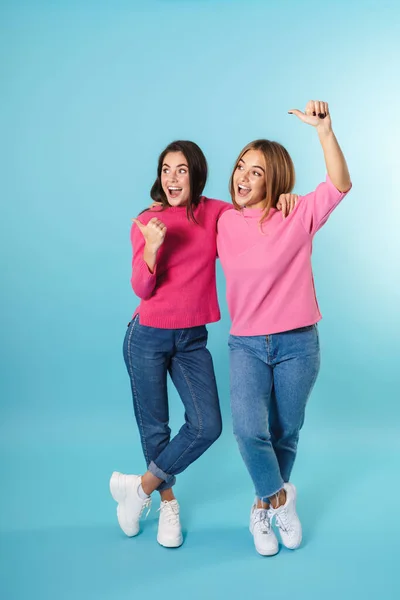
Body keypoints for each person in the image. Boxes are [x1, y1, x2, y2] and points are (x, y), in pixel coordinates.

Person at [110, 141, 295, 548]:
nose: (171, 179)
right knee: (155, 426)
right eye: (165, 170)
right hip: (147, 336)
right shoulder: (147, 221)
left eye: (180, 170)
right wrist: (153, 249)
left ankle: (137, 489)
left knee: (206, 425)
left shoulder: (216, 213)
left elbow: (253, 215)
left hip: (192, 339)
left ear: (196, 174)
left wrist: (283, 199)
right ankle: (166, 503)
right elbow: (141, 287)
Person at [217, 100, 352, 556]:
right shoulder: (221, 220)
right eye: (240, 166)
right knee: (248, 430)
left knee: (285, 433)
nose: (243, 175)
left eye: (256, 171)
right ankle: (279, 500)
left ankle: (260, 509)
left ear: (273, 178)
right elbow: (184, 209)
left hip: (298, 344)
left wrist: (324, 131)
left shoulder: (296, 214)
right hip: (248, 346)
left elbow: (340, 184)